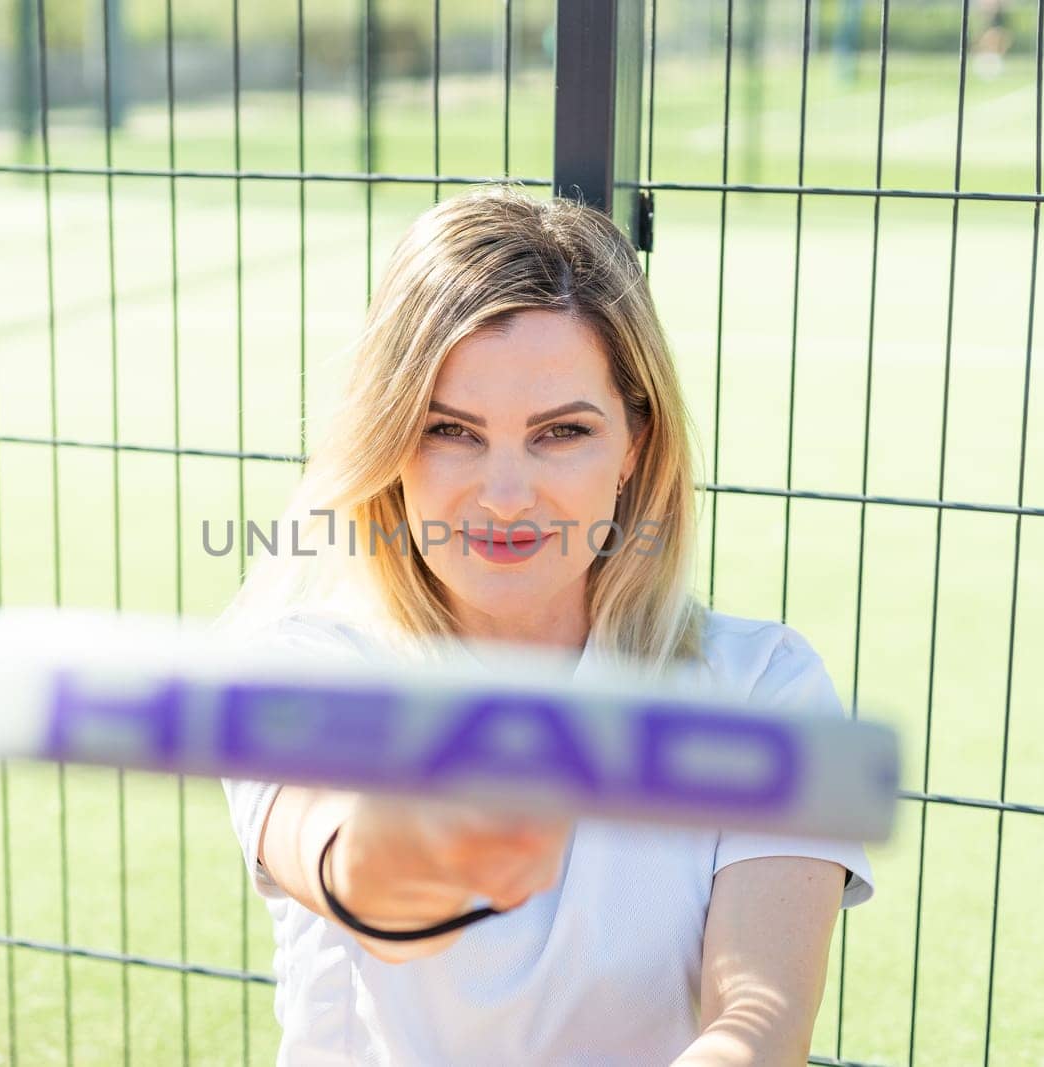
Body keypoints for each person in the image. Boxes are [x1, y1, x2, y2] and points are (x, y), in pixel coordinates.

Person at [215, 185, 875, 1065]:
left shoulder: (766, 689)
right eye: (451, 429)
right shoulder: (306, 669)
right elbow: (336, 853)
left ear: (635, 444)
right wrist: (408, 855)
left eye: (561, 431)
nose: (506, 494)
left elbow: (757, 1028)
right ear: (391, 442)